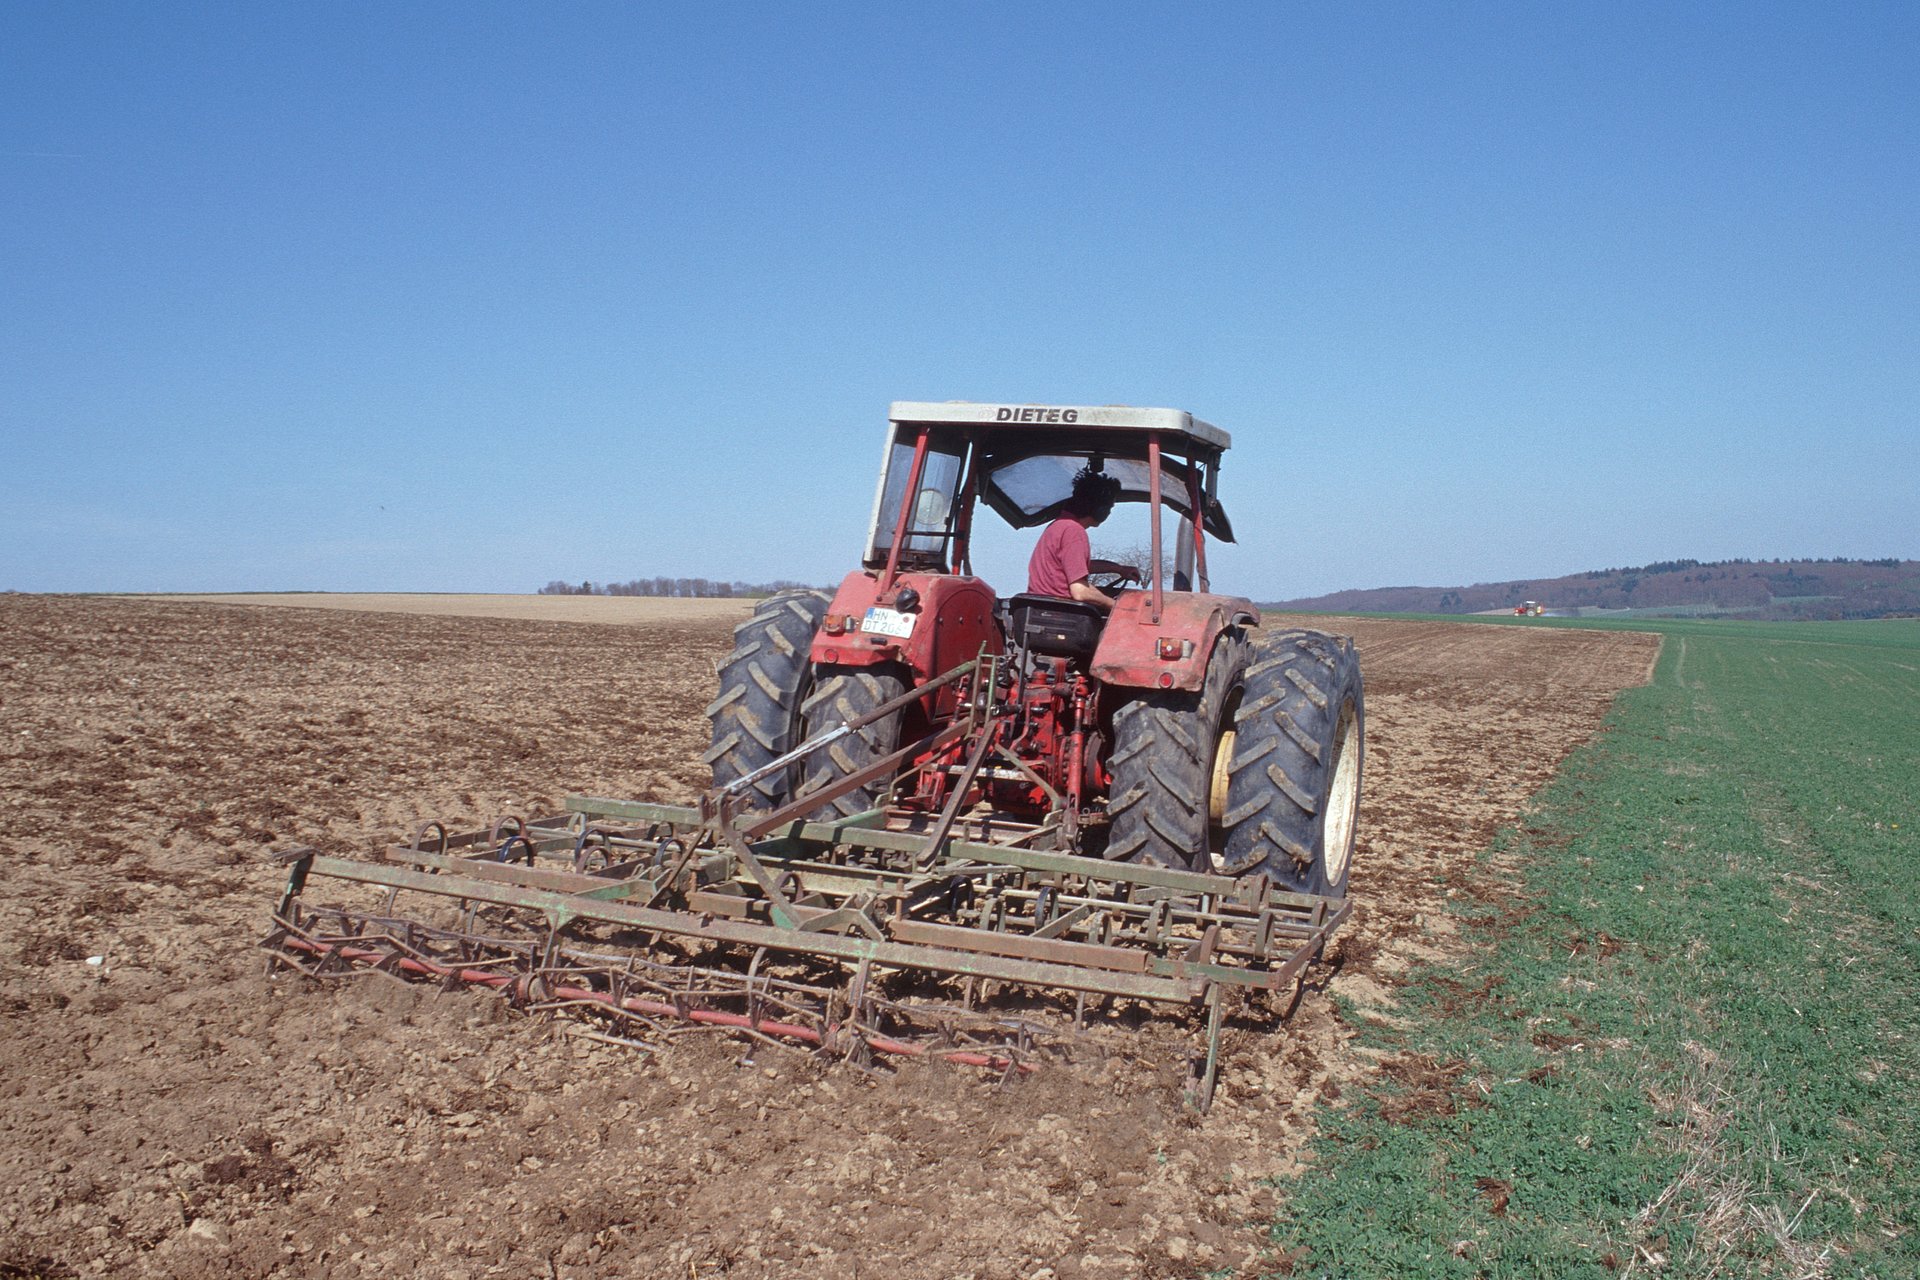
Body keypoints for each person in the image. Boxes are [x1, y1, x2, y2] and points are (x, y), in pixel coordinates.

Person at [1027, 468, 1141, 609]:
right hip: (1060, 613)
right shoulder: (1074, 531)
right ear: (1100, 509)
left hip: (1042, 609)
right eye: (1109, 507)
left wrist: (1118, 569)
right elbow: (1080, 592)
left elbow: (1074, 566)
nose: (1109, 513)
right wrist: (1118, 607)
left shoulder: (1059, 525)